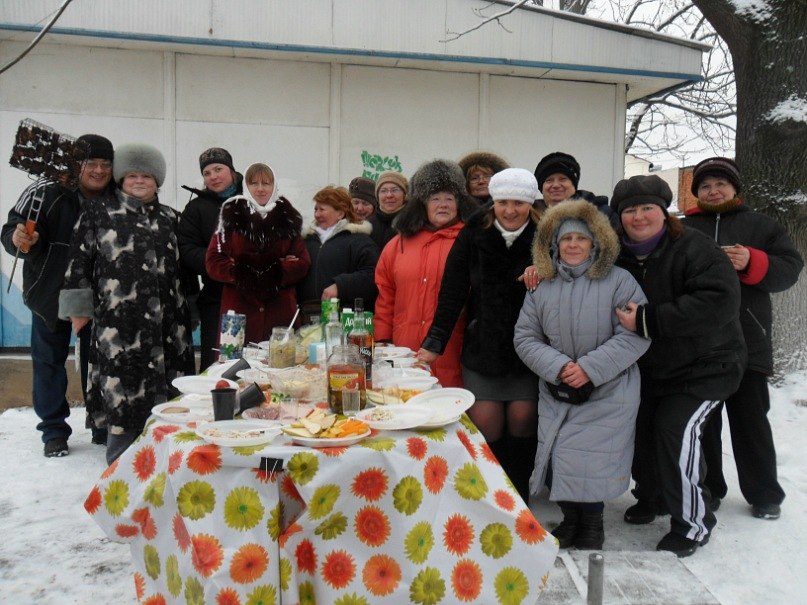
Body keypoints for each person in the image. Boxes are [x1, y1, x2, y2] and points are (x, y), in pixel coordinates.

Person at [611, 175, 746, 557]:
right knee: (643, 429)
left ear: (663, 211)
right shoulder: (618, 254)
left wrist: (648, 319)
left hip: (708, 366)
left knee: (676, 431)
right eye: (630, 210)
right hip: (656, 368)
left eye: (647, 208)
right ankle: (652, 497)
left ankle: (693, 523)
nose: (638, 217)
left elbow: (720, 302)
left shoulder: (693, 247)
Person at [514, 199, 650, 550]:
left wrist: (590, 368)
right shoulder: (542, 284)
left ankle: (591, 525)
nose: (573, 244)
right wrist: (559, 367)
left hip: (609, 386)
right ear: (554, 245)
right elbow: (525, 337)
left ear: (595, 243)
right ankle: (571, 520)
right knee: (560, 454)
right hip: (558, 386)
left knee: (591, 458)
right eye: (565, 239)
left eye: (581, 238)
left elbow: (636, 334)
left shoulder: (620, 281)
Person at [59, 144, 195, 465]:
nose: (138, 181)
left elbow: (185, 271)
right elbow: (78, 262)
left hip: (168, 328)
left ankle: (169, 465)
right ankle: (121, 471)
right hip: (118, 328)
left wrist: (192, 309)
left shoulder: (171, 218)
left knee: (171, 402)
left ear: (157, 181)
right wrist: (78, 310)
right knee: (122, 397)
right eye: (132, 174)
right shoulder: (98, 213)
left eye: (146, 175)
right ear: (120, 178)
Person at [683, 157, 803, 520]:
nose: (713, 190)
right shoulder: (684, 228)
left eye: (720, 183)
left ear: (735, 189)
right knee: (704, 423)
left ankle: (765, 493)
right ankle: (710, 487)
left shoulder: (761, 225)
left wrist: (752, 261)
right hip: (698, 342)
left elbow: (790, 269)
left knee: (751, 420)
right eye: (705, 186)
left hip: (747, 337)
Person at [419, 168, 542, 501]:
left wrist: (547, 270)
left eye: (519, 202)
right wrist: (434, 344)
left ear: (530, 203)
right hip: (483, 344)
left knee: (523, 420)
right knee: (487, 423)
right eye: (503, 201)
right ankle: (493, 497)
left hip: (529, 350)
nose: (510, 209)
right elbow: (453, 290)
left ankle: (520, 496)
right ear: (493, 201)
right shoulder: (474, 231)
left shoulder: (546, 234)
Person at [1, 134, 115, 457]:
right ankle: (53, 430)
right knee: (48, 362)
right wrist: (20, 238)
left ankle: (102, 422)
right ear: (76, 164)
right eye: (90, 163)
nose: (98, 170)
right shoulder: (44, 192)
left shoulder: (117, 197)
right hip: (50, 291)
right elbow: (11, 229)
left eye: (105, 164)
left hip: (99, 296)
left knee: (100, 364)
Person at [375, 159, 477, 388]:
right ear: (422, 204)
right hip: (404, 352)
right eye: (435, 198)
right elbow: (385, 297)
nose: (443, 205)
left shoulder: (472, 242)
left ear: (459, 203)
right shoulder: (397, 244)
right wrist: (381, 340)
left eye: (449, 198)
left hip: (453, 351)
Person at [205, 162, 311, 345]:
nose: (260, 189)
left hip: (279, 312)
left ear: (274, 185)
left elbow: (302, 263)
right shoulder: (230, 217)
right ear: (246, 186)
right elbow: (214, 262)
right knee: (235, 368)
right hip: (239, 312)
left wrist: (245, 266)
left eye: (266, 183)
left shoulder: (287, 219)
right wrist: (269, 267)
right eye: (254, 183)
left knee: (282, 367)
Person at [178, 147, 244, 371]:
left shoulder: (251, 199)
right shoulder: (196, 208)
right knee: (217, 366)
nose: (214, 176)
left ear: (232, 171)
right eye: (207, 173)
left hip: (253, 298)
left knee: (254, 362)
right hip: (216, 300)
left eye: (219, 169)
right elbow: (186, 249)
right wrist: (219, 264)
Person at [297, 186, 379, 319]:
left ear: (340, 213)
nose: (317, 214)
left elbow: (373, 276)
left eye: (322, 209)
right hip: (308, 317)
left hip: (345, 319)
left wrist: (340, 286)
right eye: (315, 209)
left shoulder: (359, 241)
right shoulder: (306, 241)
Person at [533, 151, 618, 227]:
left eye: (563, 179)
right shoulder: (530, 216)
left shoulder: (603, 214)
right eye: (549, 180)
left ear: (574, 186)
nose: (555, 185)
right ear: (541, 188)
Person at [369, 171, 408, 251]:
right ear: (377, 196)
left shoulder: (414, 223)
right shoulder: (368, 226)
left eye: (394, 190)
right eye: (383, 191)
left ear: (404, 195)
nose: (389, 195)